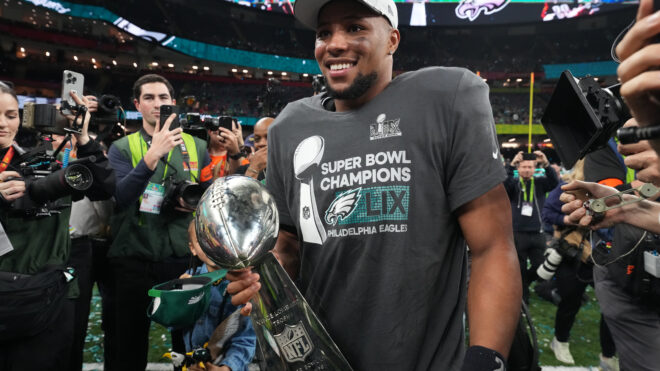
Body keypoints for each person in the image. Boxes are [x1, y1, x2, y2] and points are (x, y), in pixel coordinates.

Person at [227, 0, 522, 369]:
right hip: (316, 360)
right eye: (324, 33)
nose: (334, 43)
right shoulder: (290, 126)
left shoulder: (446, 97)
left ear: (392, 40)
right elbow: (288, 245)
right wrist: (261, 278)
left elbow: (492, 245)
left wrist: (484, 359)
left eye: (355, 28)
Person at [0, 82, 114, 371]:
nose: (3, 124)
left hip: (47, 295)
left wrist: (85, 138)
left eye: (11, 115)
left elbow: (104, 187)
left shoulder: (44, 157)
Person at [106, 74, 212, 370]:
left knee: (187, 346)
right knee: (127, 345)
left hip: (182, 259)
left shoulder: (197, 146)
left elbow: (207, 196)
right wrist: (153, 154)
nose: (157, 104)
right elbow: (120, 198)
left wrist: (188, 201)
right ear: (137, 105)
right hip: (134, 258)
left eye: (163, 98)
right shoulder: (122, 148)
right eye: (149, 98)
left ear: (173, 103)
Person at [541, 159, 618, 370]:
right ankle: (560, 340)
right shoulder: (569, 185)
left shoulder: (616, 184)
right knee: (570, 302)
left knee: (611, 307)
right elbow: (547, 214)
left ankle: (608, 354)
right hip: (575, 254)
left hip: (607, 256)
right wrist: (570, 220)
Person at [179, 221, 256, 371]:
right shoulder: (188, 278)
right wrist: (178, 298)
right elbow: (172, 322)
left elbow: (245, 339)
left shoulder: (241, 287)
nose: (211, 246)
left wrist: (227, 367)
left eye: (219, 238)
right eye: (202, 241)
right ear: (192, 248)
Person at [504, 150, 559, 302]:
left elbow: (554, 183)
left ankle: (526, 282)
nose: (527, 170)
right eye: (523, 167)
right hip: (517, 233)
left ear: (534, 168)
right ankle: (523, 299)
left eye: (530, 167)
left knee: (540, 267)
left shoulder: (540, 183)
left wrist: (547, 164)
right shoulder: (513, 184)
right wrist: (511, 165)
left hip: (537, 233)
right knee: (519, 268)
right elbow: (503, 185)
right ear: (518, 168)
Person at [236, 117, 273, 182]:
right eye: (257, 139)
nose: (261, 143)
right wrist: (253, 170)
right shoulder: (243, 171)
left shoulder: (293, 169)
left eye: (268, 137)